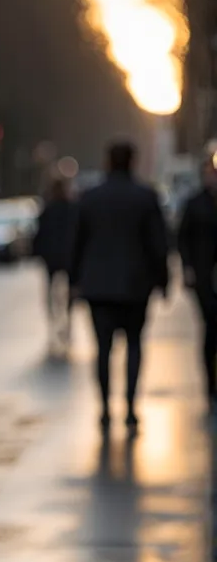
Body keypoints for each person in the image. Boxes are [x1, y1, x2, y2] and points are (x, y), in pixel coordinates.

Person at [70, 141, 168, 434]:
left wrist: (74, 280)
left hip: (98, 287)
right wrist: (163, 280)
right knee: (135, 345)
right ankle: (130, 407)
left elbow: (77, 242)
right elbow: (158, 243)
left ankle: (104, 407)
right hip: (136, 286)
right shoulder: (145, 197)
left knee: (103, 349)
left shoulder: (91, 198)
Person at [176, 153, 217, 407]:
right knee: (210, 327)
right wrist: (188, 267)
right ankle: (210, 382)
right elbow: (184, 237)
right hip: (204, 276)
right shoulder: (195, 204)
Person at [33, 176, 77, 359]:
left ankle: (55, 324)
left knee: (51, 293)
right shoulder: (71, 209)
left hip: (52, 258)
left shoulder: (48, 210)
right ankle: (67, 324)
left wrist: (39, 253)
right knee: (68, 294)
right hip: (68, 258)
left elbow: (40, 235)